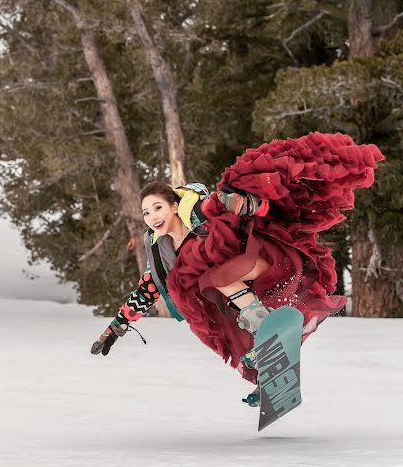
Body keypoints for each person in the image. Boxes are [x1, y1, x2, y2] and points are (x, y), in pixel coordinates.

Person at [91, 132, 383, 406]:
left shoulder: (203, 210)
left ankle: (267, 332)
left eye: (157, 208)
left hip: (268, 260)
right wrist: (117, 326)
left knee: (211, 275)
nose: (152, 216)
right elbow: (149, 287)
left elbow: (257, 207)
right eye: (145, 213)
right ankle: (268, 380)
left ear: (173, 205)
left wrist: (247, 204)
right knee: (229, 329)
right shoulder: (161, 250)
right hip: (248, 290)